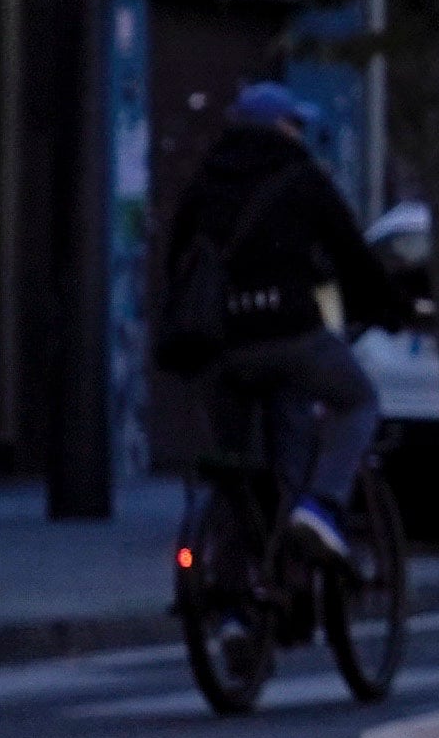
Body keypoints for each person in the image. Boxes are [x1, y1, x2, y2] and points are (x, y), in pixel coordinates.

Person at [155, 81, 408, 564]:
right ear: (279, 127)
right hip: (293, 335)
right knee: (358, 402)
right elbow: (351, 255)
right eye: (295, 124)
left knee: (234, 474)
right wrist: (387, 308)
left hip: (222, 348)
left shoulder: (204, 182)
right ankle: (320, 507)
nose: (299, 134)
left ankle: (233, 609)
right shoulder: (301, 177)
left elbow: (177, 264)